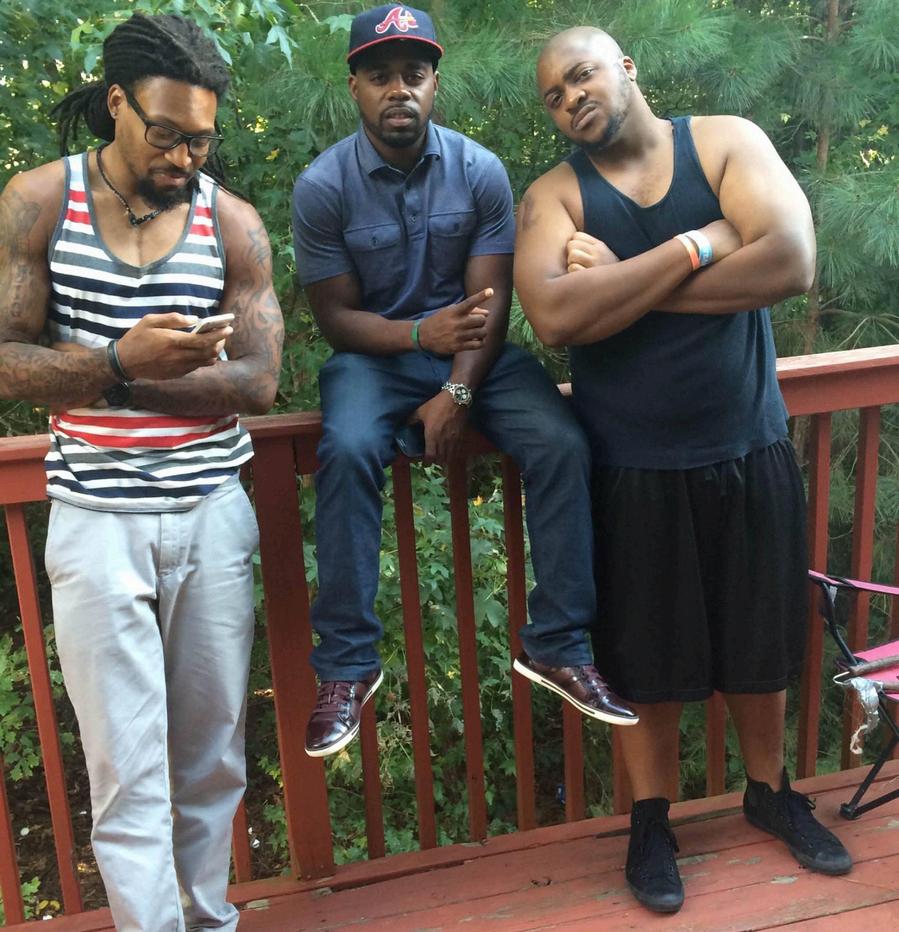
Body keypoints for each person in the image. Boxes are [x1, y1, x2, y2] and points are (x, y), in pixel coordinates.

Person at [515, 26, 852, 915]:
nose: (570, 98)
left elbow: (789, 260)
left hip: (748, 445)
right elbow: (553, 317)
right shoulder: (555, 195)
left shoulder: (725, 142)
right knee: (642, 659)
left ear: (625, 68)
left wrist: (620, 284)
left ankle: (769, 793)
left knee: (758, 646)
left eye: (581, 76)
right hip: (630, 465)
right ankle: (650, 823)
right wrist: (696, 246)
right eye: (553, 95)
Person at [292, 5, 638, 760]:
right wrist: (420, 336)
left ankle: (558, 643)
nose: (398, 89)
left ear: (433, 84)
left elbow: (490, 302)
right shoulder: (322, 186)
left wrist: (455, 392)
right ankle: (347, 667)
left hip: (478, 357)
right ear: (354, 87)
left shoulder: (479, 170)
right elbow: (338, 321)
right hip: (375, 359)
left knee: (559, 442)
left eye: (413, 74)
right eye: (380, 76)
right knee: (346, 449)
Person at [0, 14, 283, 930]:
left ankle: (209, 918)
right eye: (165, 134)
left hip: (211, 513)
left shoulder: (231, 221)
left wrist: (127, 378)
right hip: (95, 521)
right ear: (117, 102)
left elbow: (259, 382)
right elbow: (2, 360)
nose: (184, 157)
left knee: (211, 757)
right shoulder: (40, 202)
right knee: (125, 766)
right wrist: (121, 359)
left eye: (200, 139)